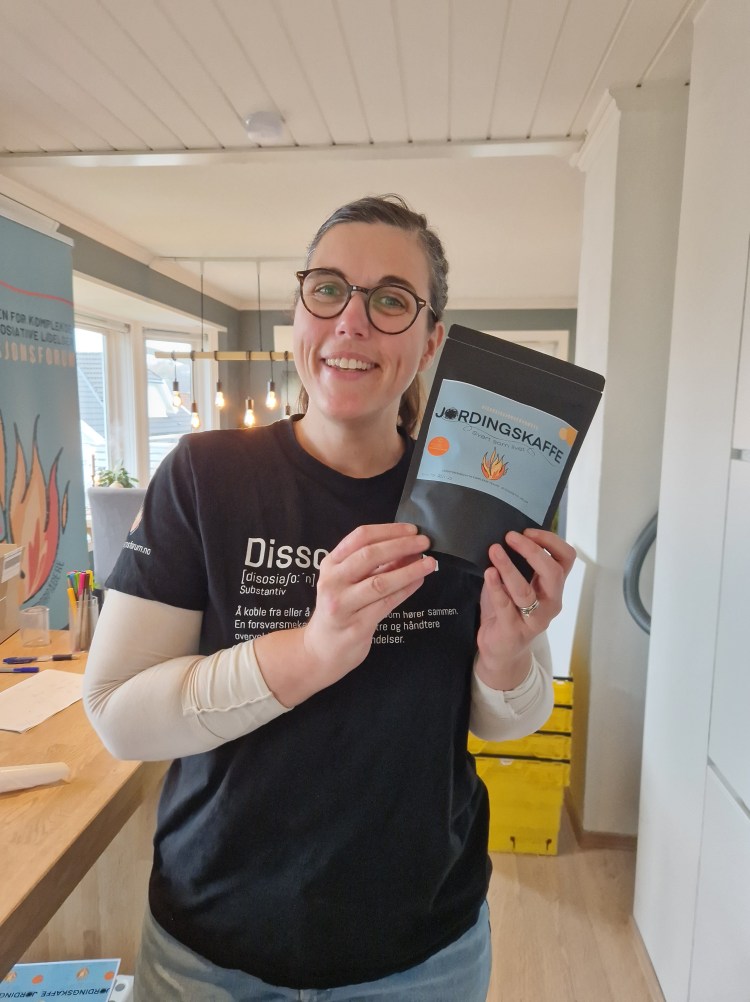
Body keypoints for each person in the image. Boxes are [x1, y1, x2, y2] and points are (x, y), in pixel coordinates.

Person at [84, 194, 575, 1002]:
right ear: (298, 312)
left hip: (422, 957)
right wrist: (312, 653)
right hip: (210, 951)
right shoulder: (205, 477)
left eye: (391, 301)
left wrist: (506, 657)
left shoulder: (471, 497)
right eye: (328, 289)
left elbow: (507, 720)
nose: (352, 321)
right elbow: (118, 716)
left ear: (432, 340)